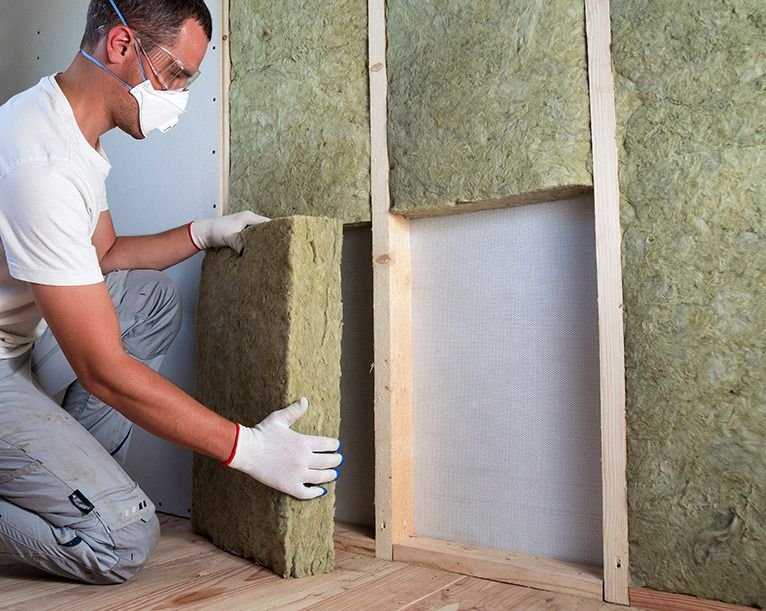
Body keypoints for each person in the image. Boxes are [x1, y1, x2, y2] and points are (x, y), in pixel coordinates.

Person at [0, 0, 342, 585]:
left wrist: (201, 233)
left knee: (149, 300)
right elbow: (102, 370)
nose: (179, 96)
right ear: (121, 46)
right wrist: (248, 449)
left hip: (17, 347)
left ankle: (86, 483)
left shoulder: (72, 130)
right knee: (121, 540)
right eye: (175, 74)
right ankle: (101, 510)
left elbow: (104, 254)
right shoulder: (40, 162)